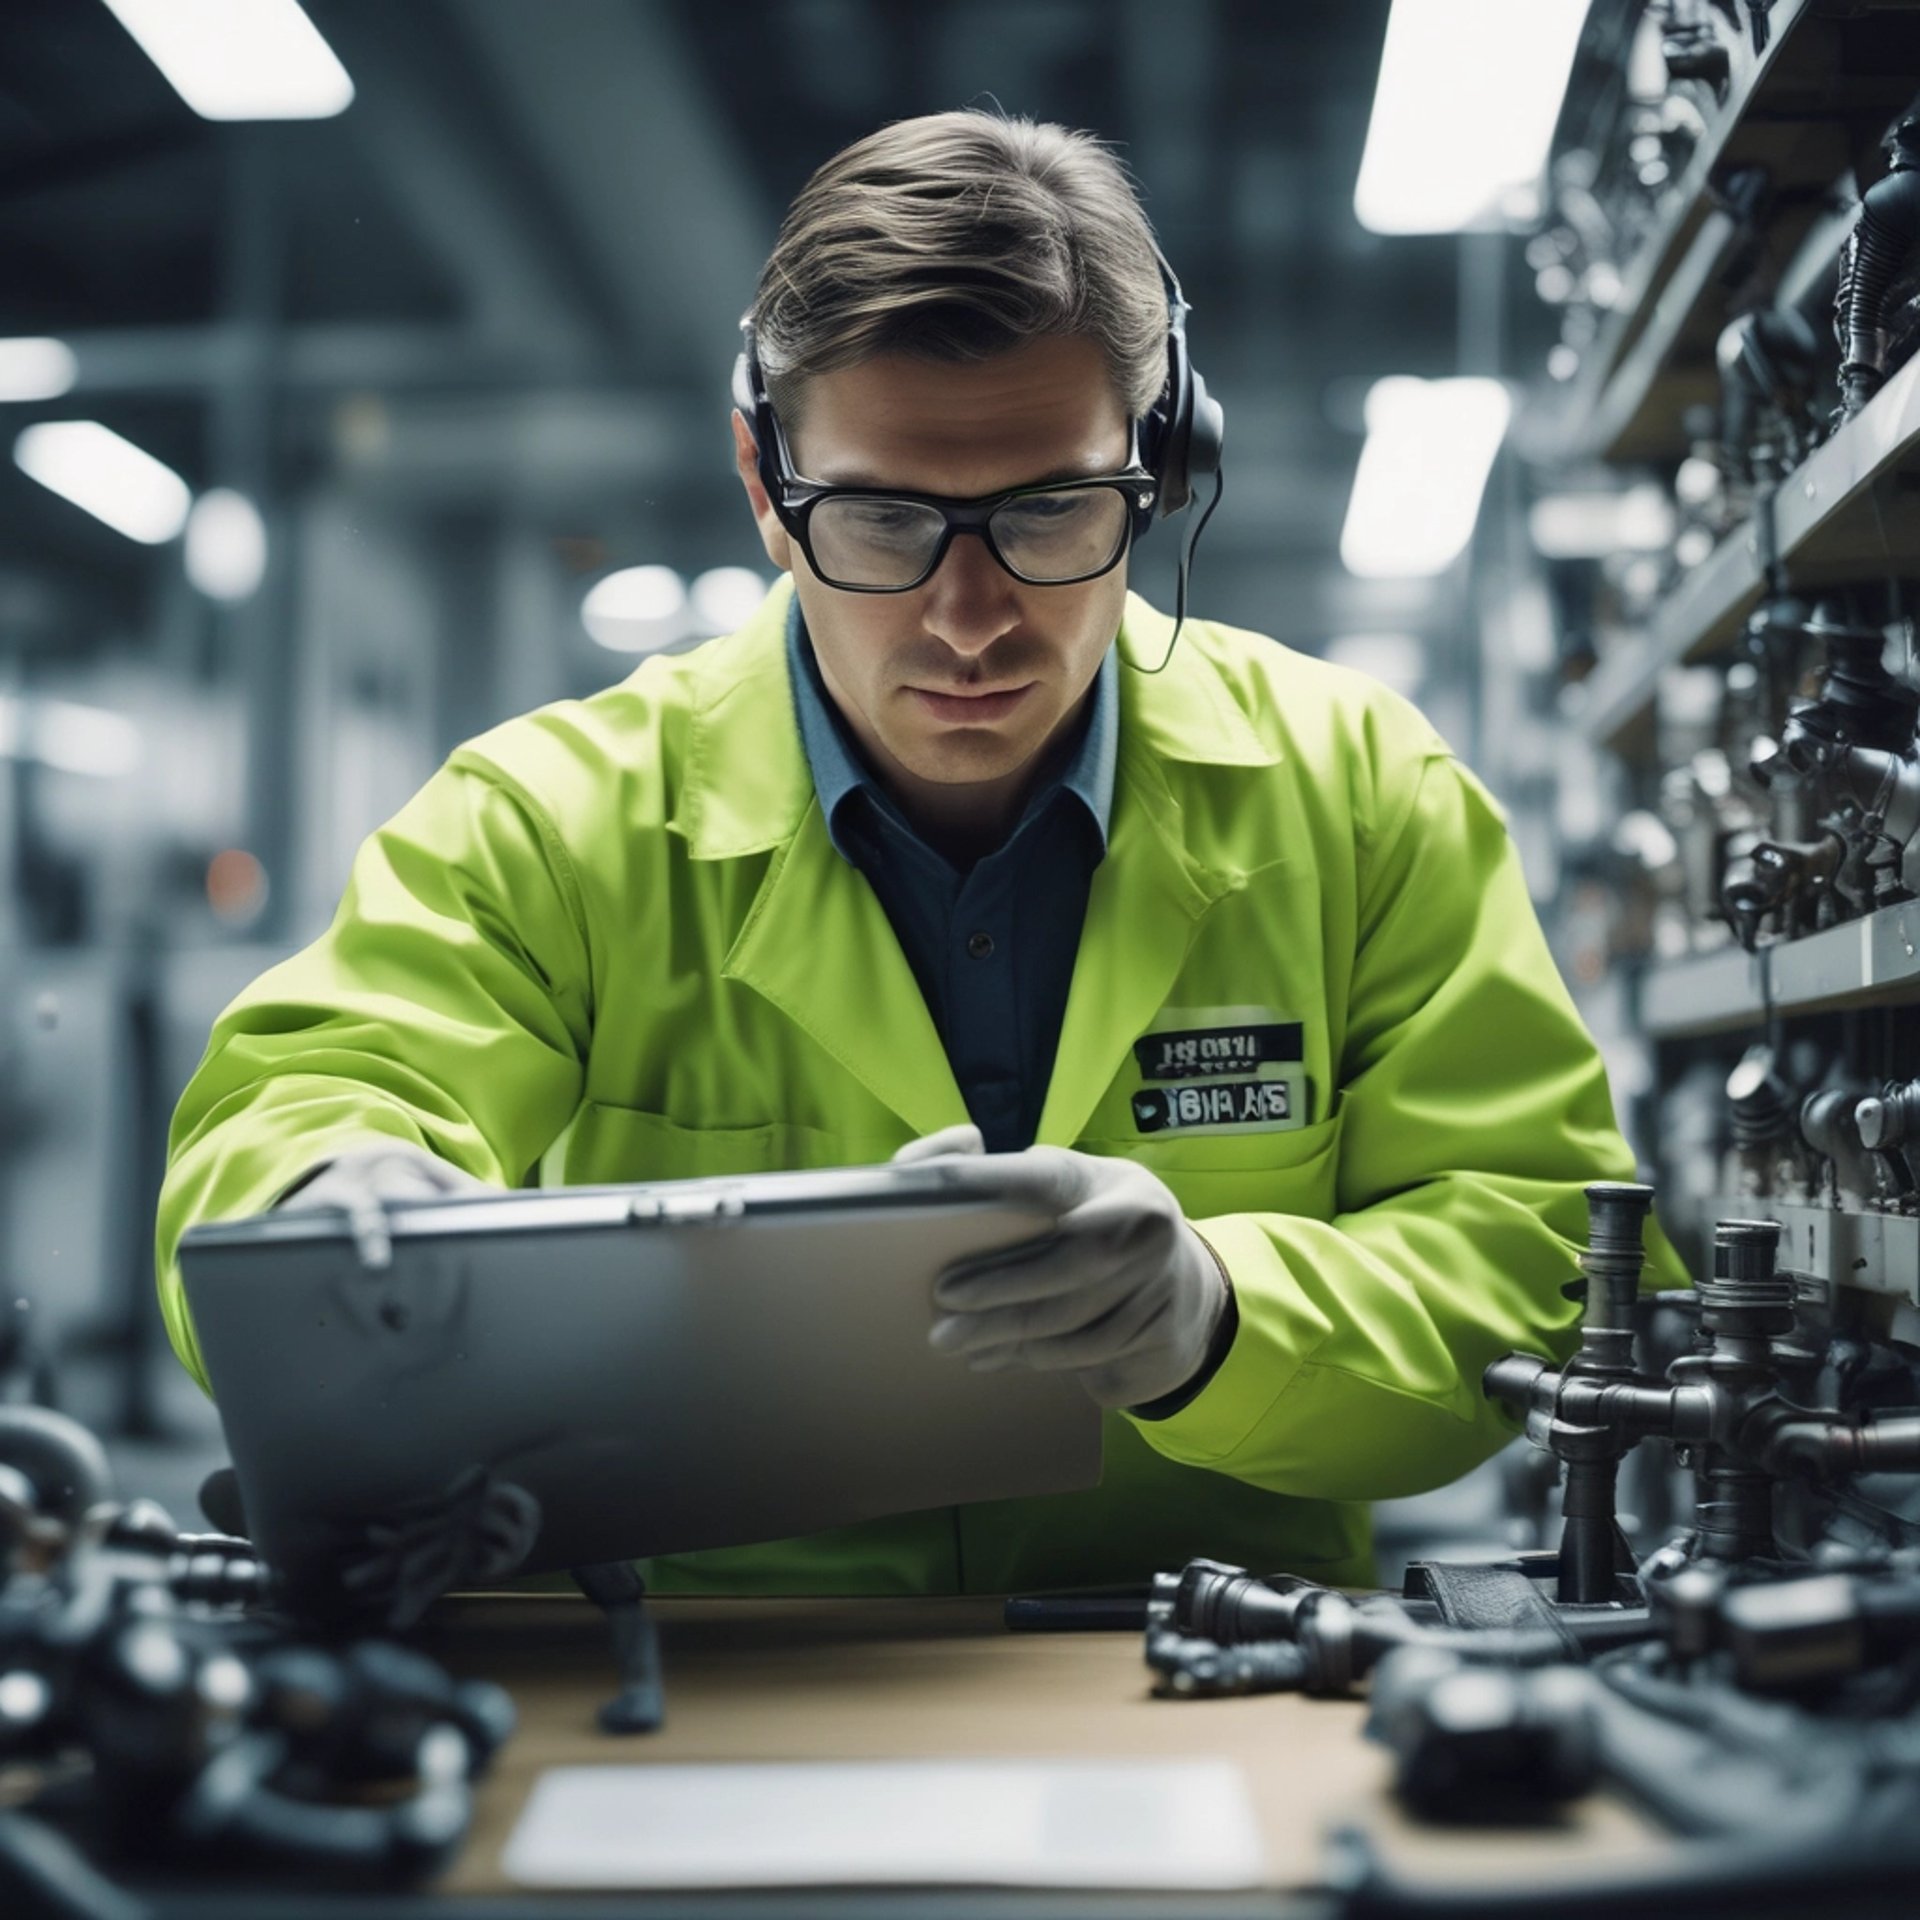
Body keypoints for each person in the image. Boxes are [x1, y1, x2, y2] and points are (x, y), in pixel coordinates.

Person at [155, 109, 1682, 1595]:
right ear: (766, 486)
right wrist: (332, 1199)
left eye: (1047, 511)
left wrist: (1222, 1317)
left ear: (1154, 472)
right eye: (881, 523)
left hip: (1199, 1671)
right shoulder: (553, 820)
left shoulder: (1360, 794)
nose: (968, 619)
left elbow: (1545, 1259)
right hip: (715, 1691)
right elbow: (296, 1112)